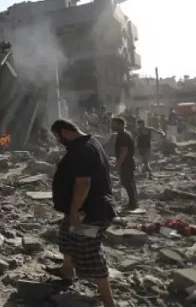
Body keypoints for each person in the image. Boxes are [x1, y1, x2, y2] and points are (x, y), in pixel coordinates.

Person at [50, 119, 117, 307]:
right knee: (66, 235)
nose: (58, 141)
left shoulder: (81, 150)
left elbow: (83, 183)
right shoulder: (89, 142)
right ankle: (67, 272)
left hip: (91, 213)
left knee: (90, 252)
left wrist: (74, 211)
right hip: (85, 209)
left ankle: (108, 301)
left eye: (58, 137)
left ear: (66, 132)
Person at [111, 117, 137, 210]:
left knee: (126, 182)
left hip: (126, 163)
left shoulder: (123, 135)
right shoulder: (124, 134)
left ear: (121, 125)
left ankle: (133, 204)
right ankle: (133, 203)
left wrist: (118, 164)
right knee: (129, 182)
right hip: (127, 162)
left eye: (114, 124)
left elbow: (124, 151)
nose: (112, 126)